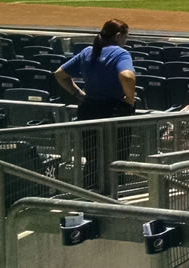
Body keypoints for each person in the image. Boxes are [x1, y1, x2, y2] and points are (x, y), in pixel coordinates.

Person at [53, 19, 136, 191]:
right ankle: (115, 194)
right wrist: (130, 100)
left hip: (89, 110)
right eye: (126, 37)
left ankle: (90, 195)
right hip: (113, 112)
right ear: (119, 36)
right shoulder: (120, 53)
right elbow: (127, 76)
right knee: (117, 158)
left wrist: (79, 94)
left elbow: (60, 74)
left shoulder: (88, 51)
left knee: (92, 157)